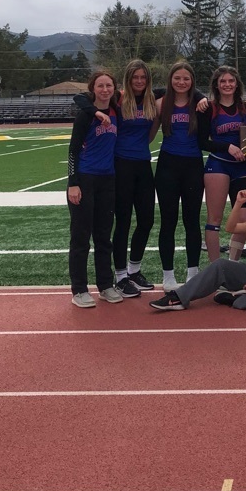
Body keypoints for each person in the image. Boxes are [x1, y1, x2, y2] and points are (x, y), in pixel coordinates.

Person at [74, 59, 159, 297]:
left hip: (143, 164)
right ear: (128, 80)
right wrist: (96, 113)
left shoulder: (153, 98)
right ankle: (120, 276)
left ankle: (134, 269)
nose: (139, 81)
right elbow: (81, 98)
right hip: (120, 164)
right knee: (122, 221)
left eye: (143, 77)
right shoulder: (117, 98)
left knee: (146, 220)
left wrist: (200, 96)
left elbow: (184, 89)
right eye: (135, 78)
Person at [150, 185, 246, 311]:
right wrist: (239, 203)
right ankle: (178, 297)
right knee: (220, 265)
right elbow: (230, 227)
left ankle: (235, 299)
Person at [66, 71, 124, 308]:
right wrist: (73, 183)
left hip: (107, 180)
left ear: (114, 89)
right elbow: (72, 150)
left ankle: (105, 285)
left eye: (109, 85)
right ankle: (79, 289)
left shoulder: (117, 111)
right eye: (100, 86)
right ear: (93, 89)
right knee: (81, 237)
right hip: (85, 180)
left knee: (103, 237)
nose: (105, 90)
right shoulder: (85, 116)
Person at [154, 61, 208, 291]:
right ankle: (168, 276)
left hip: (193, 166)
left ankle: (192, 273)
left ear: (192, 81)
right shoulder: (161, 103)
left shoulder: (200, 103)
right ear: (171, 80)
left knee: (192, 221)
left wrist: (201, 95)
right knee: (168, 221)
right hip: (167, 166)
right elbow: (147, 132)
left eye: (186, 78)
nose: (181, 82)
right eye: (177, 78)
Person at [200, 66, 246, 262]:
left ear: (237, 84)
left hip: (242, 167)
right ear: (216, 84)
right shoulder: (209, 108)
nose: (227, 84)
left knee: (243, 220)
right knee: (214, 220)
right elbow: (202, 141)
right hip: (219, 165)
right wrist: (228, 147)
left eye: (231, 81)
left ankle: (231, 265)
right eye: (223, 81)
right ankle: (216, 269)